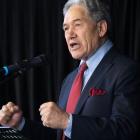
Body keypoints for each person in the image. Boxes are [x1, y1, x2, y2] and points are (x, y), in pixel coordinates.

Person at [0, 0, 140, 140]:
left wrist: (67, 121)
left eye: (77, 25)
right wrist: (20, 124)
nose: (69, 34)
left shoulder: (127, 70)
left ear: (101, 28)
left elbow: (125, 129)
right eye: (66, 28)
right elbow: (60, 136)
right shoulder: (70, 79)